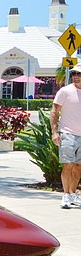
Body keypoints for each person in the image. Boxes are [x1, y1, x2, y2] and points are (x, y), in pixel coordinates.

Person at [51, 65, 81, 208]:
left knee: (78, 167)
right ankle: (66, 195)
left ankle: (73, 194)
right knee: (68, 165)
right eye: (74, 73)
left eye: (79, 74)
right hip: (68, 133)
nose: (76, 76)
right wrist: (54, 132)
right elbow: (54, 112)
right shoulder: (65, 91)